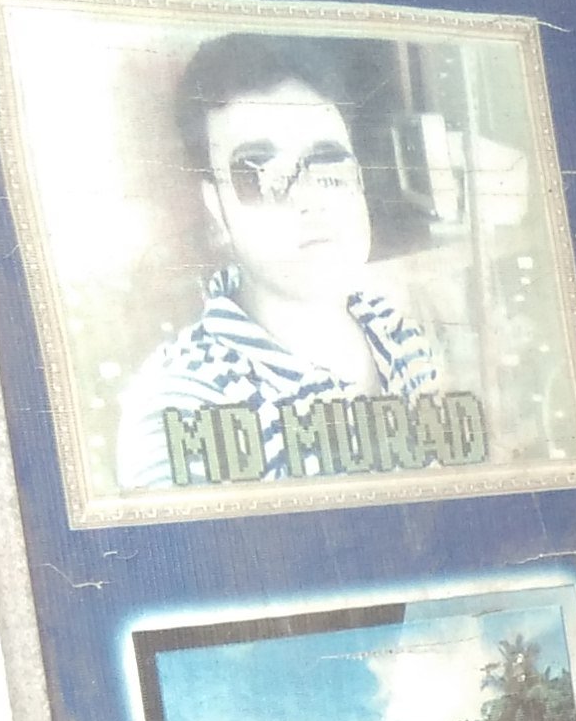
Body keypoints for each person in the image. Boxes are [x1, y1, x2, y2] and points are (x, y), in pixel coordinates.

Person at [115, 30, 446, 490]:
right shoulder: (184, 405)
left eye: (329, 168)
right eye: (259, 175)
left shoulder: (399, 336)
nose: (309, 199)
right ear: (217, 209)